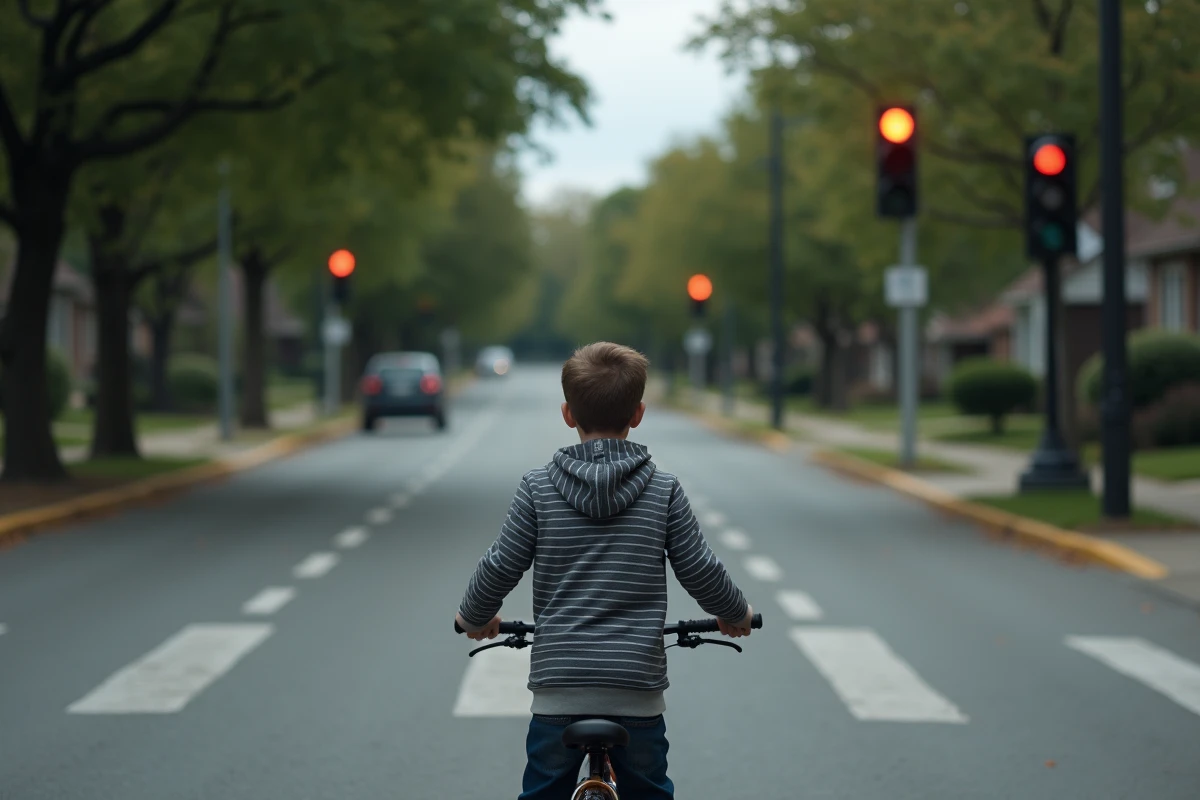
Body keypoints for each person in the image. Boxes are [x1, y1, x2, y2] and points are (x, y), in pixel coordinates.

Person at [455, 341, 754, 800]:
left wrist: (474, 618)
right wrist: (735, 613)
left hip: (559, 690)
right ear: (637, 414)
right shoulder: (663, 490)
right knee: (651, 790)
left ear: (567, 414)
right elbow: (700, 570)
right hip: (635, 688)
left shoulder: (537, 489)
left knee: (542, 791)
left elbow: (500, 566)